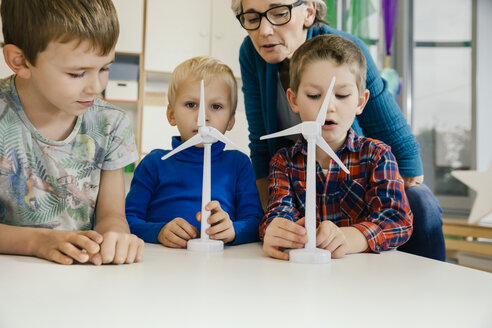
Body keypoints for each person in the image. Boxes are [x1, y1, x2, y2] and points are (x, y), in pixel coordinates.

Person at [231, 0, 445, 261]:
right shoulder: (252, 54)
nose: (264, 30)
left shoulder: (345, 51)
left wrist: (392, 189)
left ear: (309, 11)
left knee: (418, 201)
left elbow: (397, 146)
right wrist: (273, 223)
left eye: (278, 13)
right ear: (293, 98)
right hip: (300, 177)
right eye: (252, 17)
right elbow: (261, 142)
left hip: (353, 173)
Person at [0, 0, 144, 265]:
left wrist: (115, 236)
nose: (96, 87)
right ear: (20, 61)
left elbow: (111, 215)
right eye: (77, 73)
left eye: (105, 68)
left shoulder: (111, 123)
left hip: (83, 281)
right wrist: (38, 242)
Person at [261, 34, 413, 260]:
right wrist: (276, 230)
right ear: (293, 100)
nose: (328, 106)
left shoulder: (377, 156)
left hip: (361, 280)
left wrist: (351, 237)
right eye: (314, 95)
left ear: (361, 101)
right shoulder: (284, 162)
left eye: (342, 95)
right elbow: (278, 211)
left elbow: (397, 220)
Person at [125, 56, 263, 248]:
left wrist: (233, 231)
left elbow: (256, 221)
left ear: (231, 121)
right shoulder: (154, 163)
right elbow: (127, 220)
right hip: (162, 262)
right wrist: (159, 231)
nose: (203, 117)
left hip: (221, 264)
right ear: (171, 115)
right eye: (191, 105)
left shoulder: (239, 164)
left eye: (216, 106)